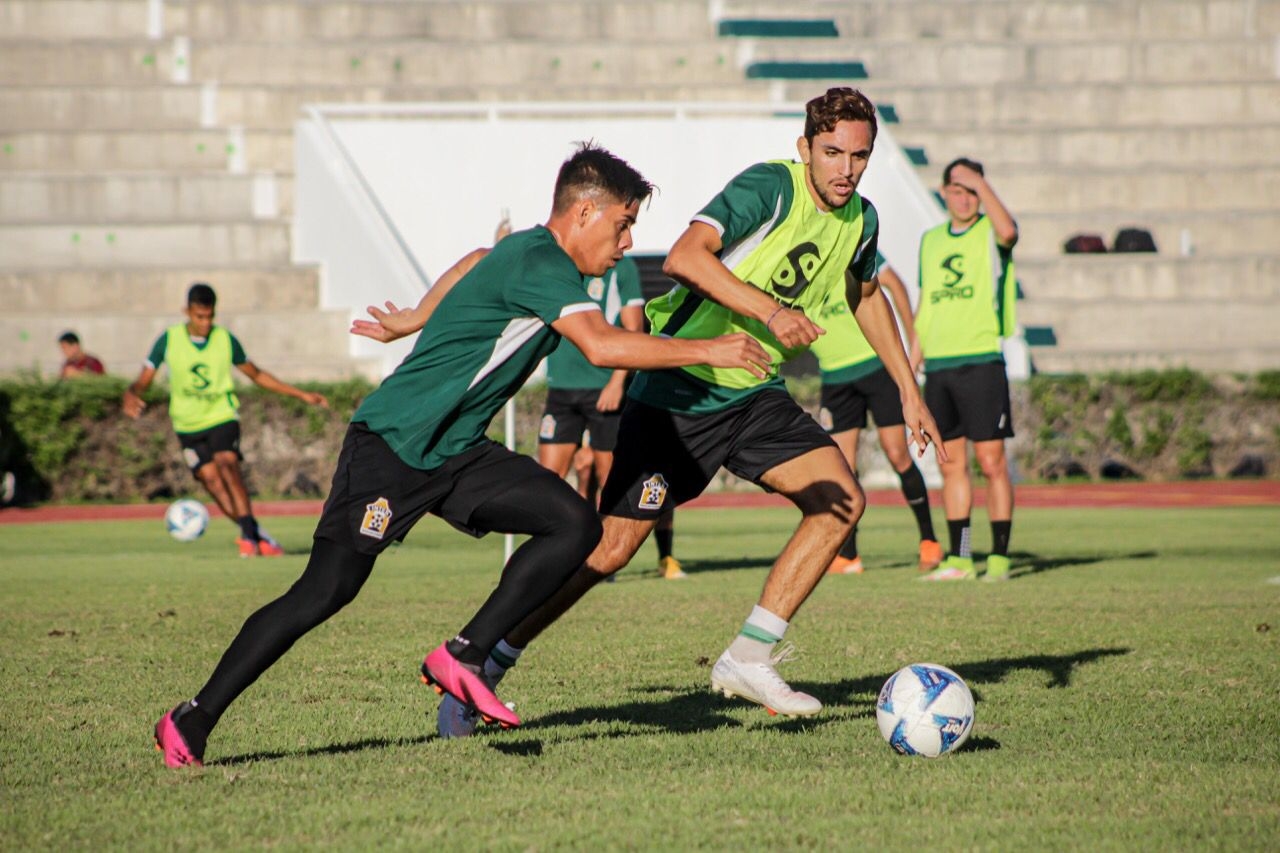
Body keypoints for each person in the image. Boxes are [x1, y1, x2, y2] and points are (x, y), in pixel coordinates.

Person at [151, 143, 771, 767]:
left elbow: (475, 258)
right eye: (622, 223)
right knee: (326, 590)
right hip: (395, 444)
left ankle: (466, 653)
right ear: (584, 212)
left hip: (456, 452)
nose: (627, 240)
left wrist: (416, 316)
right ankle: (193, 718)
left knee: (574, 522)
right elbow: (605, 347)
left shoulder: (526, 252)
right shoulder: (541, 263)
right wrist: (710, 350)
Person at [432, 87, 945, 737]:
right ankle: (482, 663)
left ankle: (749, 656)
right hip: (678, 389)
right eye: (832, 152)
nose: (845, 168)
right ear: (805, 148)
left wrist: (909, 388)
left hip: (752, 394)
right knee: (607, 550)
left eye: (859, 155)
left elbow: (866, 293)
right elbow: (684, 256)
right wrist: (769, 311)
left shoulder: (862, 219)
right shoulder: (771, 188)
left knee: (842, 500)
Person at [123, 284, 328, 557]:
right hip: (187, 424)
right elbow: (143, 381)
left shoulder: (225, 340)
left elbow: (257, 375)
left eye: (209, 317)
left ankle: (247, 538)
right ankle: (256, 533)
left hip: (222, 415)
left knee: (227, 463)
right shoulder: (168, 340)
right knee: (211, 480)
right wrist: (131, 394)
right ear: (188, 312)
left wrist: (301, 394)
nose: (205, 323)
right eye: (199, 317)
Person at [910, 157, 1018, 581]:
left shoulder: (992, 232)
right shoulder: (931, 240)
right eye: (957, 189)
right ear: (943, 192)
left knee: (991, 463)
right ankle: (962, 555)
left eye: (971, 190)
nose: (964, 198)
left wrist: (982, 186)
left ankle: (1001, 556)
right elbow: (926, 306)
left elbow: (1009, 230)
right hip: (940, 367)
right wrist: (910, 366)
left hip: (981, 362)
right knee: (950, 465)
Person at [811, 254, 942, 575]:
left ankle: (929, 540)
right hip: (835, 377)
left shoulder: (848, 242)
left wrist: (913, 341)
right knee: (842, 466)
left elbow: (894, 284)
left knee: (897, 453)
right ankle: (849, 554)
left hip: (874, 365)